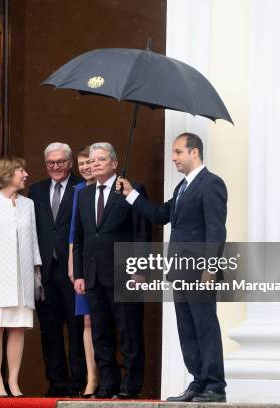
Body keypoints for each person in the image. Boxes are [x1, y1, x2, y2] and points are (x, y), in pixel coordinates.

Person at [117, 132, 228, 403]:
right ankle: (199, 381)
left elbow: (216, 229)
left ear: (194, 152)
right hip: (179, 270)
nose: (173, 157)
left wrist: (210, 267)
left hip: (200, 270)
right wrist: (131, 194)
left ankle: (215, 385)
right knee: (187, 328)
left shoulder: (211, 184)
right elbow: (160, 215)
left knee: (204, 326)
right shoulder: (182, 188)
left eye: (178, 152)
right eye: (173, 152)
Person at [72, 142, 151, 400]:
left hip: (124, 273)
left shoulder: (130, 189)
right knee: (101, 332)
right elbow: (81, 237)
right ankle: (108, 384)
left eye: (101, 159)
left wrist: (139, 270)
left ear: (114, 163)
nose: (94, 164)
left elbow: (142, 233)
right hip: (93, 275)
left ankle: (131, 385)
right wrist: (80, 274)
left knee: (128, 331)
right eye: (92, 160)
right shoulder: (83, 194)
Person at [0, 156, 42, 398]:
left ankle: (13, 381)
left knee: (18, 328)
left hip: (23, 276)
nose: (25, 174)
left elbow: (33, 240)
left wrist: (37, 274)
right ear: (7, 174)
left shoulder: (28, 204)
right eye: (21, 170)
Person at [28, 143, 85, 397]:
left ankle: (77, 383)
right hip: (46, 272)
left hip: (72, 270)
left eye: (60, 162)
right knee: (49, 330)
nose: (56, 167)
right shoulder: (36, 190)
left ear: (70, 162)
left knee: (76, 329)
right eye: (51, 163)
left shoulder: (81, 188)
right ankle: (56, 382)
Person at [67, 146, 98, 398]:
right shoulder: (78, 190)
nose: (85, 167)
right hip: (82, 261)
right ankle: (91, 377)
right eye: (81, 164)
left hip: (104, 264)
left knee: (103, 320)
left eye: (89, 162)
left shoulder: (113, 187)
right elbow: (74, 232)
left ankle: (104, 373)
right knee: (86, 320)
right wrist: (72, 265)